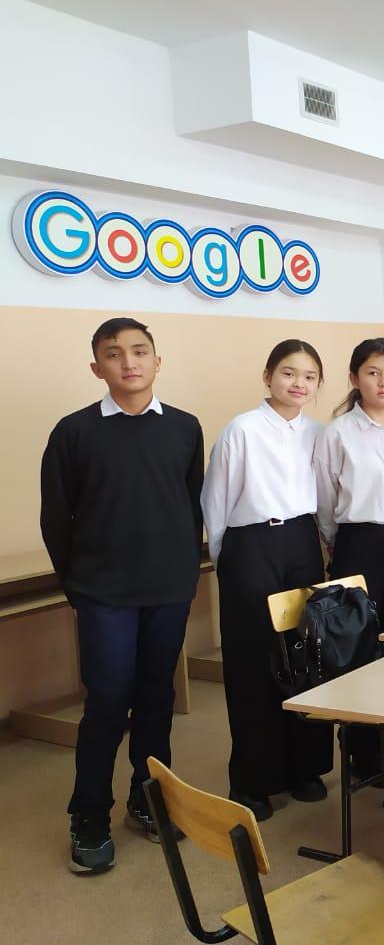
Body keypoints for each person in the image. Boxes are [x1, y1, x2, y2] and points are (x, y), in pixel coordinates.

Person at [40, 318, 203, 873]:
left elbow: (191, 505)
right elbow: (56, 518)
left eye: (139, 351)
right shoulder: (74, 431)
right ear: (97, 367)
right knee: (108, 701)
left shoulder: (184, 427)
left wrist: (184, 573)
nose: (129, 362)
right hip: (103, 592)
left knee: (156, 696)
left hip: (167, 588)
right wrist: (78, 585)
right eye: (114, 354)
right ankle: (89, 813)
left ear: (158, 361)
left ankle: (148, 797)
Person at [202, 340, 331, 821]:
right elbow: (216, 502)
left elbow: (326, 496)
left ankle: (305, 768)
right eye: (288, 373)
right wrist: (227, 559)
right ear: (268, 376)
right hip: (251, 544)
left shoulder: (318, 433)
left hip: (302, 542)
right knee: (254, 662)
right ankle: (252, 780)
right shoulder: (242, 429)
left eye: (309, 377)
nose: (299, 384)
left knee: (306, 654)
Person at [315, 338, 384, 782]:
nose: (383, 382)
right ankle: (362, 748)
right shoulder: (337, 432)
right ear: (354, 378)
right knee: (360, 648)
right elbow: (325, 499)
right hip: (359, 545)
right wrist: (334, 544)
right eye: (373, 373)